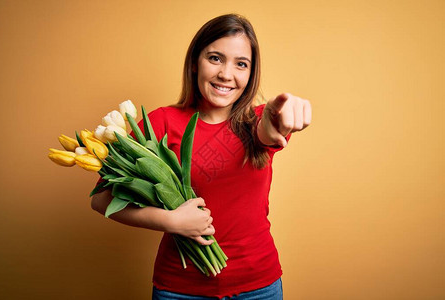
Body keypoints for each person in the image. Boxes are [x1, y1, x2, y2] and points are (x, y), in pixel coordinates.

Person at [91, 13, 311, 300]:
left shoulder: (257, 120)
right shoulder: (161, 122)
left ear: (250, 73)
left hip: (258, 286)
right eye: (215, 58)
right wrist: (171, 222)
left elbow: (268, 131)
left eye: (241, 64)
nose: (226, 74)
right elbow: (101, 199)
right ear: (195, 63)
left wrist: (277, 112)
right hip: (180, 289)